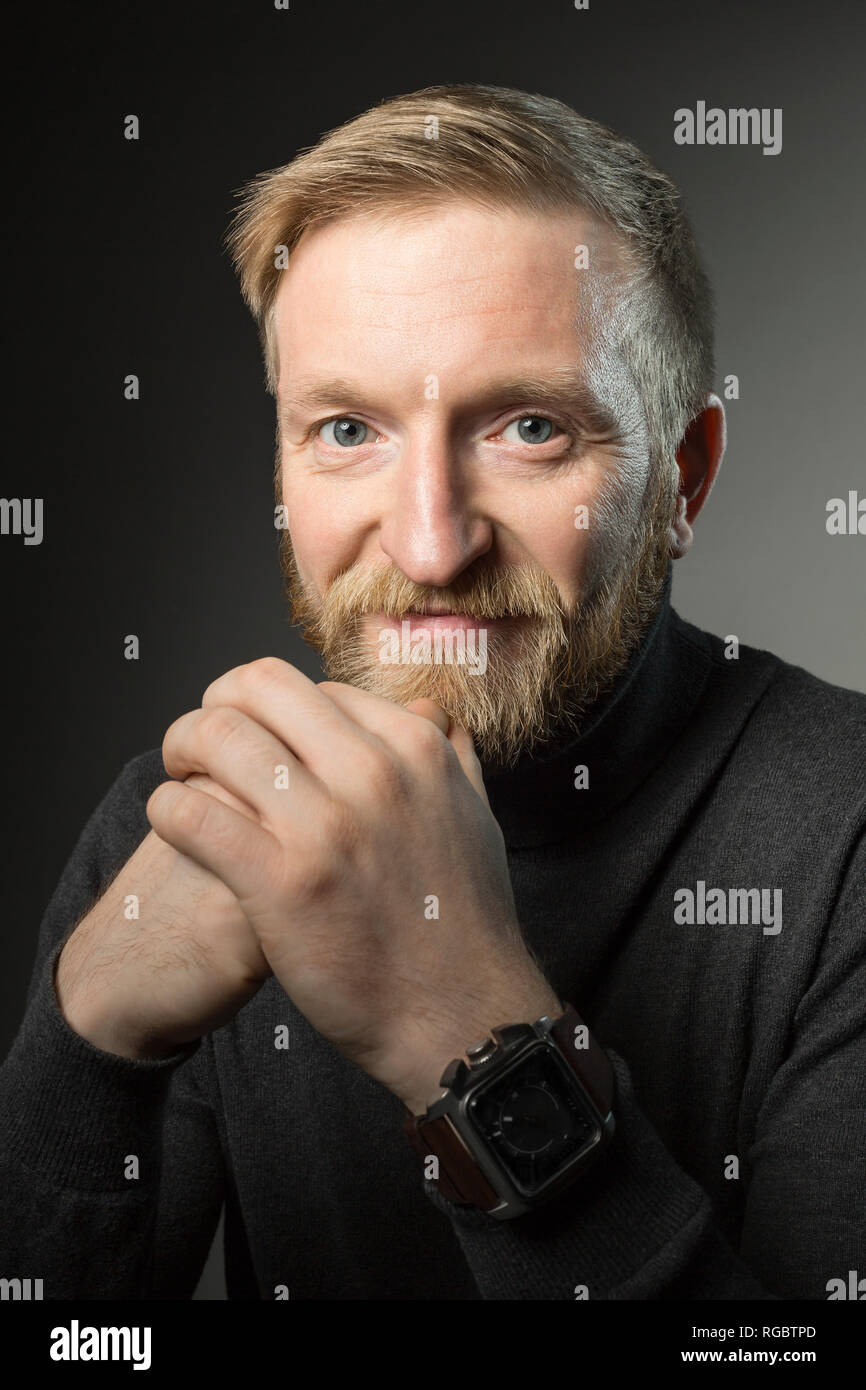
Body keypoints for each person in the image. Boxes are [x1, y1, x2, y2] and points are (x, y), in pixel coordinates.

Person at [2, 84, 863, 1301]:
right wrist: (85, 1053)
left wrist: (465, 1034)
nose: (426, 545)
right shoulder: (192, 811)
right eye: (347, 429)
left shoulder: (845, 841)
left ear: (682, 477)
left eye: (525, 427)